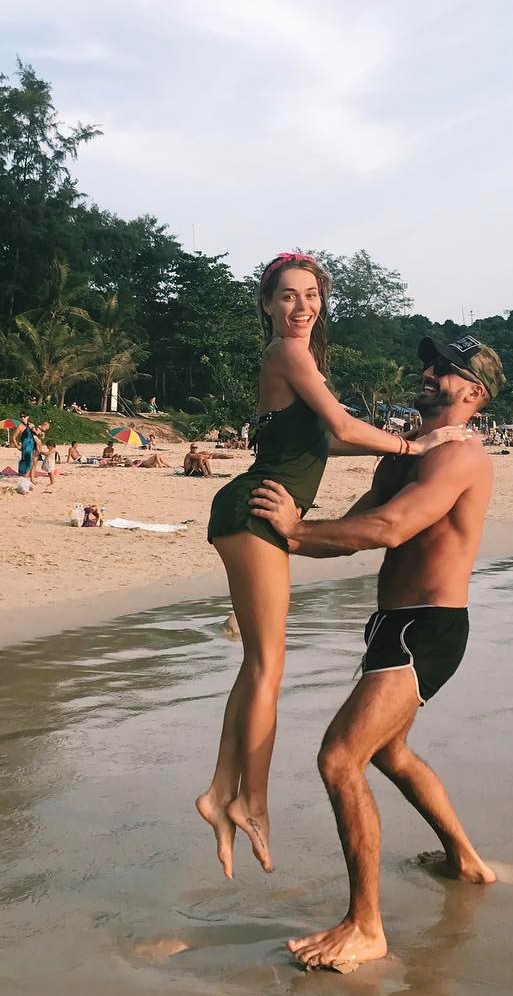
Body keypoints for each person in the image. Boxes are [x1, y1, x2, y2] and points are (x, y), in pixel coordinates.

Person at [197, 255, 472, 878]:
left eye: (312, 296)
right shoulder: (288, 353)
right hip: (257, 508)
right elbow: (343, 422)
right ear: (267, 304)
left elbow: (330, 438)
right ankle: (252, 804)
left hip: (255, 510)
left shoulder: (299, 360)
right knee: (267, 667)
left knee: (257, 664)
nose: (302, 307)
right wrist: (415, 444)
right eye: (288, 296)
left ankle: (220, 791)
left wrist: (399, 450)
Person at [248, 333, 505, 971]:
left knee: (340, 758)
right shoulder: (405, 455)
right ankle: (466, 861)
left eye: (445, 369)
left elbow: (392, 528)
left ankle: (366, 926)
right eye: (430, 364)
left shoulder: (461, 457)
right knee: (388, 752)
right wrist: (279, 538)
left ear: (474, 392)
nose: (429, 373)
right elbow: (351, 530)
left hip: (429, 629)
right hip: (392, 625)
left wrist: (297, 529)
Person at [13, 413, 36, 480]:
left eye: (24, 416)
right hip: (26, 446)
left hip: (32, 444)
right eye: (21, 416)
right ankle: (25, 477)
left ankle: (31, 478)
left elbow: (36, 434)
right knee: (28, 462)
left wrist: (35, 429)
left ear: (27, 417)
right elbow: (14, 438)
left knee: (32, 462)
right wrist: (17, 446)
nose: (22, 418)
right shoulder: (20, 426)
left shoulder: (31, 425)